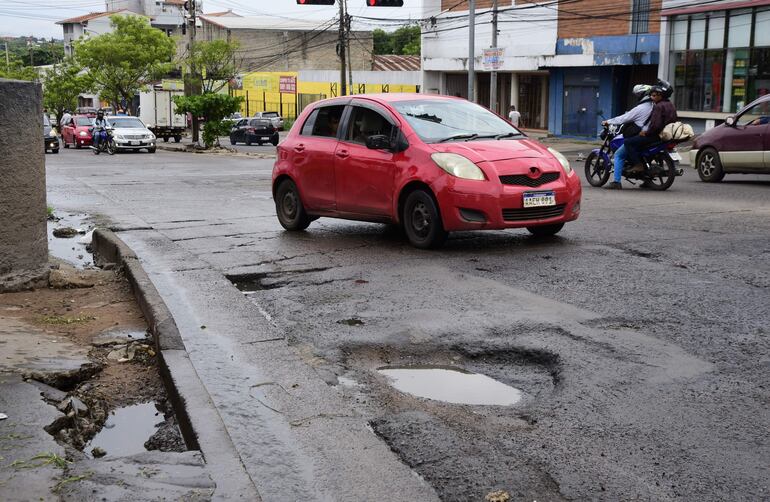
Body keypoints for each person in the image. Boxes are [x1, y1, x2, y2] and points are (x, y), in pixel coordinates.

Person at [602, 84, 653, 190]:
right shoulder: (654, 106)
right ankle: (647, 179)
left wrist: (608, 121)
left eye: (638, 94)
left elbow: (624, 118)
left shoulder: (640, 108)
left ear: (643, 95)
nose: (637, 96)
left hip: (641, 136)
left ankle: (616, 182)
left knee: (618, 155)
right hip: (651, 135)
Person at [623, 80, 678, 175]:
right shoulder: (670, 104)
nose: (652, 97)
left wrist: (646, 133)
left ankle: (638, 165)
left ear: (660, 95)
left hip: (655, 135)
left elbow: (655, 125)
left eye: (654, 95)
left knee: (628, 142)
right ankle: (646, 177)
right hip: (665, 135)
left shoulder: (658, 106)